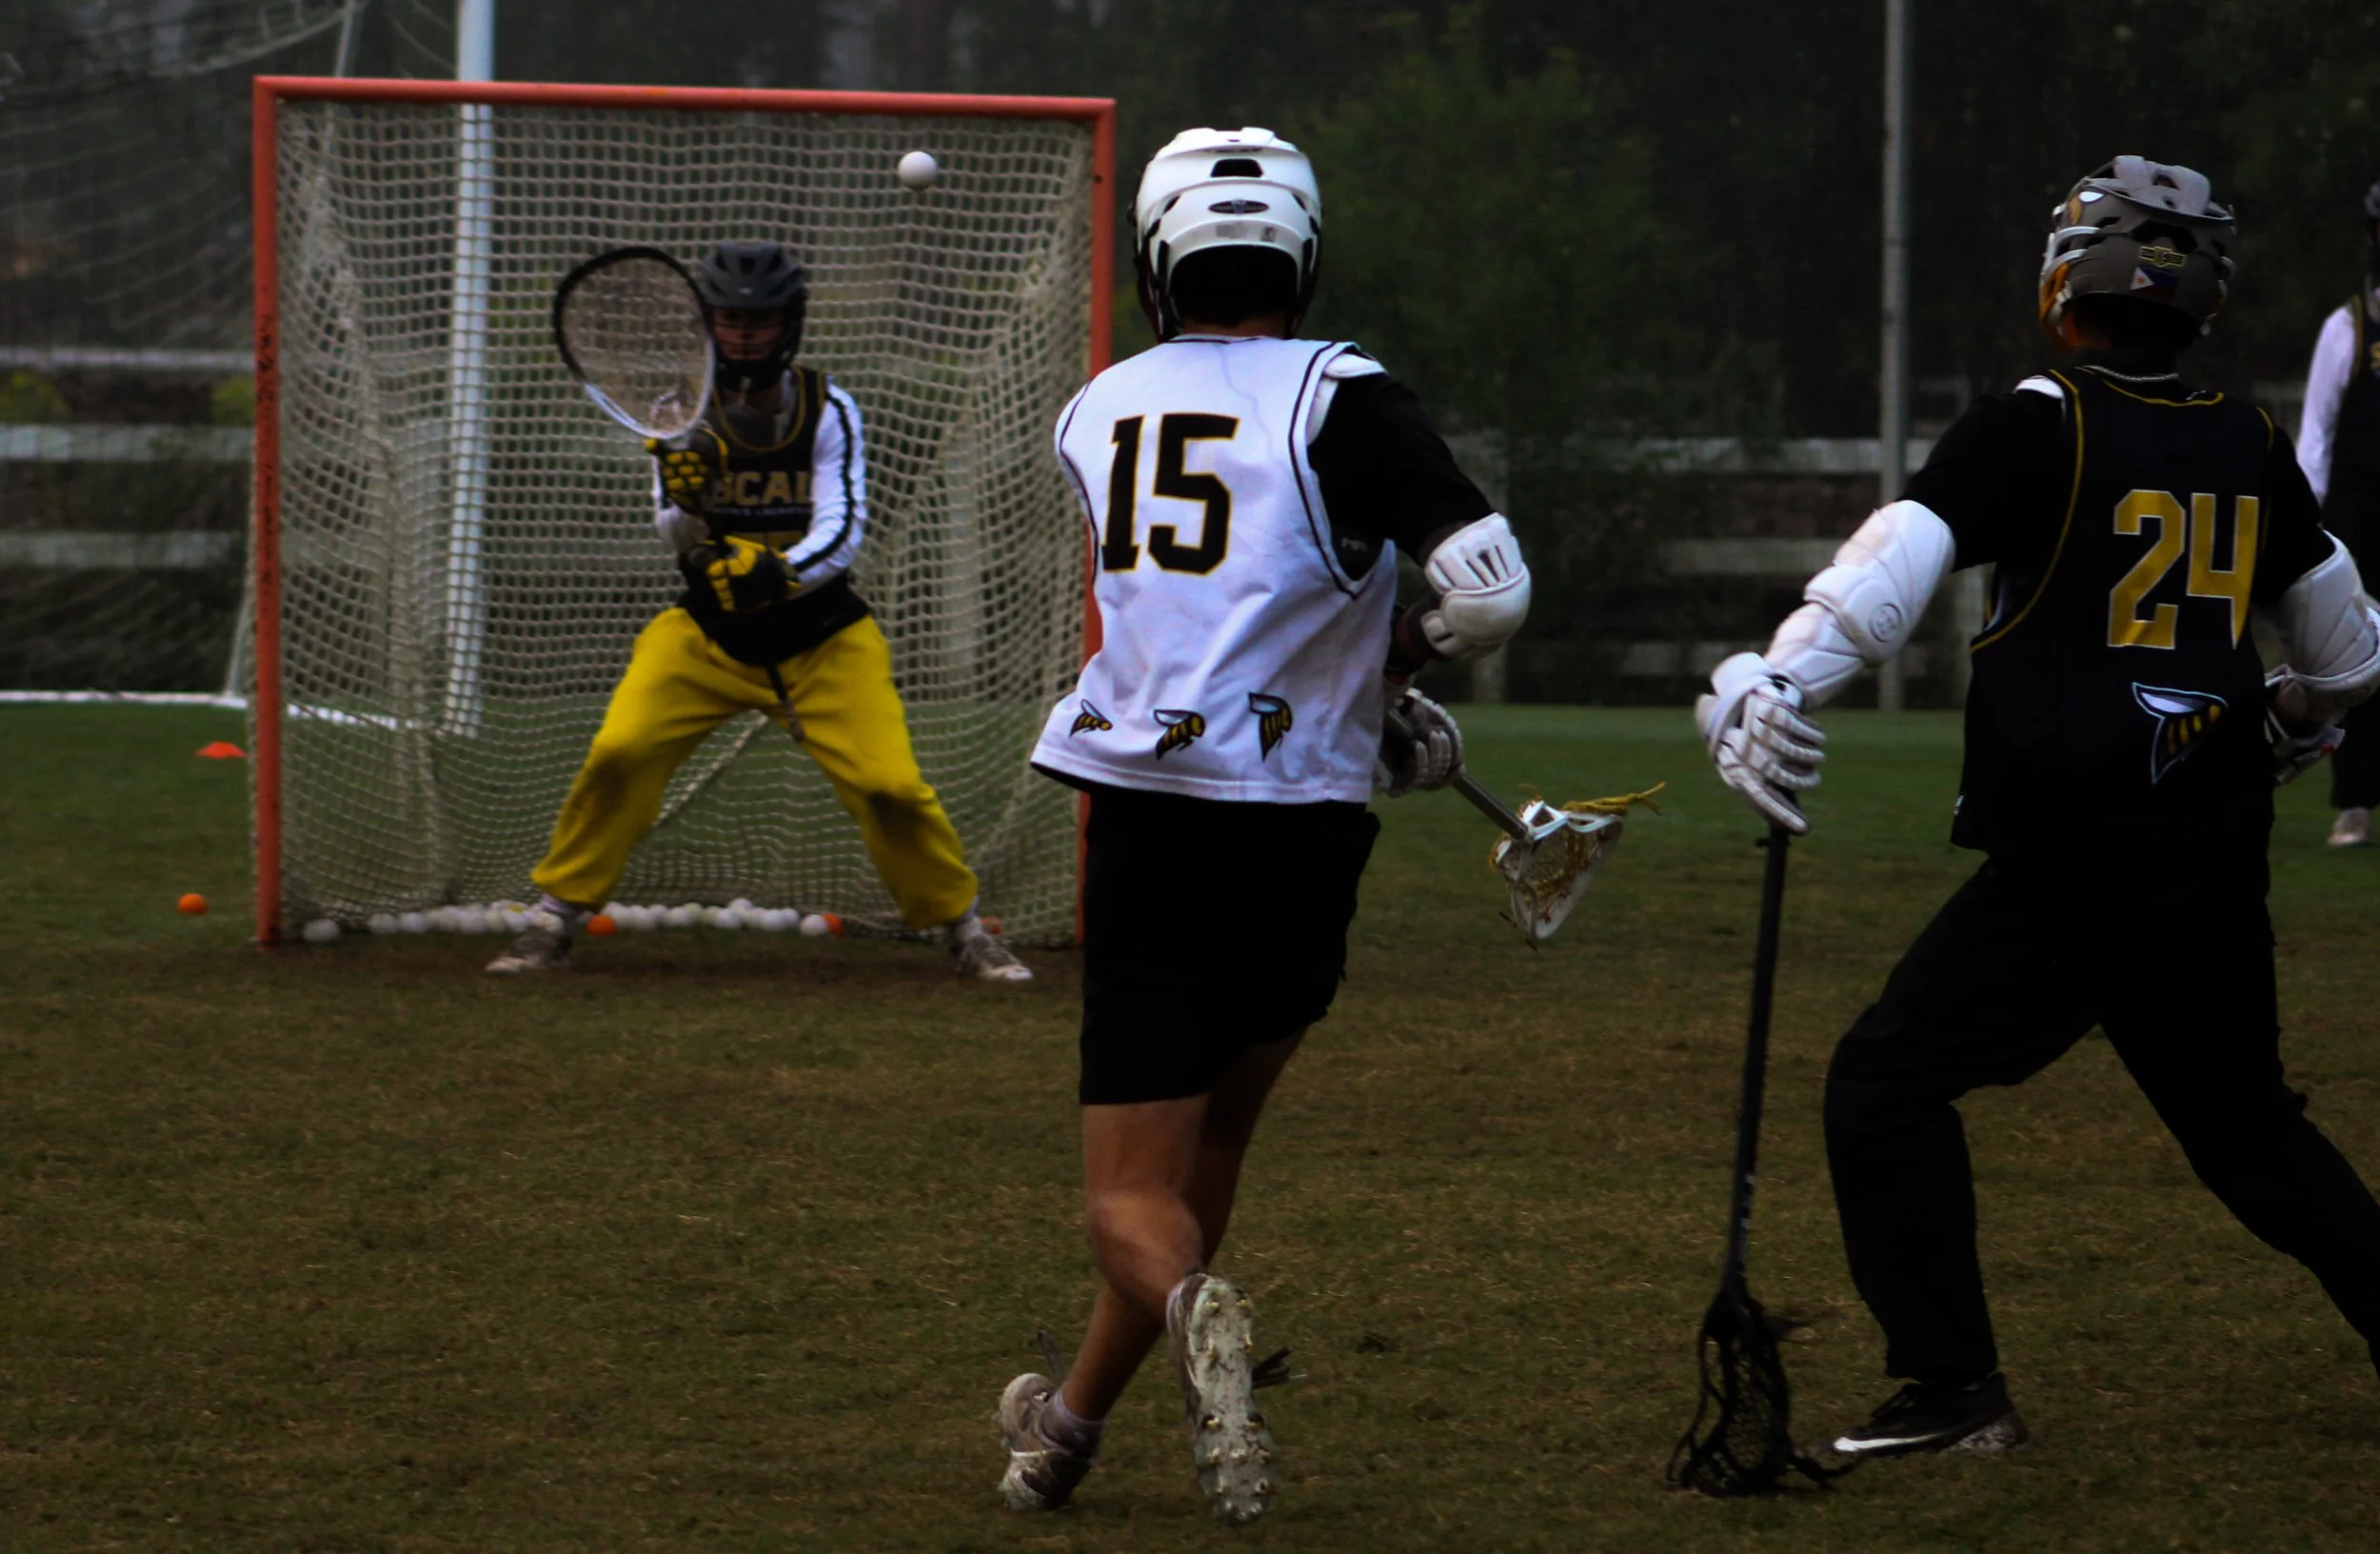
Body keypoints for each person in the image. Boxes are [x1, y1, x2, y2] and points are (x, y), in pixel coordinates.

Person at [1696, 156, 2380, 1460]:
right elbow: (2349, 658)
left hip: (2080, 851)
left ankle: (1955, 1390)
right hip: (2210, 850)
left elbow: (1892, 570)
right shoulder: (2245, 440)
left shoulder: (2039, 419)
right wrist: (2281, 727)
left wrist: (1778, 677)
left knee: (1884, 1084)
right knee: (2250, 1131)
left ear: (2072, 275)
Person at [993, 127, 1530, 1522]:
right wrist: (1392, 664)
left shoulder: (1097, 407)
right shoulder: (1352, 395)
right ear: (1301, 258)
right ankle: (1068, 1426)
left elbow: (1200, 608)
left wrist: (1367, 675)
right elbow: (1487, 593)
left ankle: (1192, 1310)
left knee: (1129, 1196)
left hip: (1158, 818)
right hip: (1306, 833)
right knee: (1210, 1147)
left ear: (1158, 265)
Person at [486, 239, 1030, 983]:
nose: (745, 335)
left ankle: (963, 928)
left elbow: (843, 529)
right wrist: (688, 497)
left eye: (761, 320)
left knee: (892, 790)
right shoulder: (679, 412)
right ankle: (554, 919)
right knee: (619, 754)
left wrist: (778, 573)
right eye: (731, 320)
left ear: (790, 323)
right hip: (707, 636)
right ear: (708, 324)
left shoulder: (829, 408)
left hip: (824, 638)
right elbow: (675, 535)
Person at [2293, 179, 2380, 847]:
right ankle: (2355, 804)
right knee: (2363, 664)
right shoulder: (2347, 328)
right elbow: (2316, 437)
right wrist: (2311, 529)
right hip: (2361, 520)